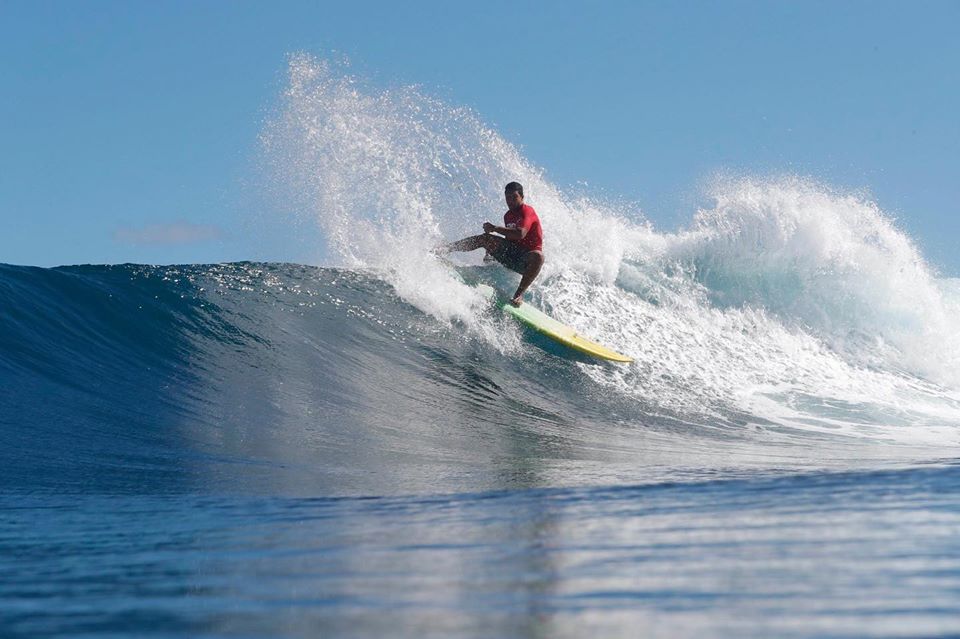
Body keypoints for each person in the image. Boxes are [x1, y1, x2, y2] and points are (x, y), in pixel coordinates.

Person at [442, 182, 544, 306]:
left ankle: (518, 295)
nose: (510, 201)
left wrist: (495, 228)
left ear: (522, 197)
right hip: (512, 256)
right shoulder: (508, 216)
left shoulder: (527, 211)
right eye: (507, 197)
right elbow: (509, 241)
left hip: (525, 262)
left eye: (514, 197)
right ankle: (447, 248)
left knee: (538, 256)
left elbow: (520, 234)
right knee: (486, 238)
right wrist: (490, 251)